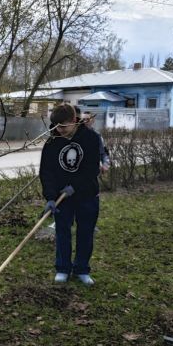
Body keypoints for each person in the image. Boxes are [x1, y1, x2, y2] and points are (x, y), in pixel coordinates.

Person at [40, 103, 102, 285]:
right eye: (56, 126)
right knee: (62, 232)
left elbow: (92, 169)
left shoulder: (90, 138)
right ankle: (63, 268)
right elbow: (46, 172)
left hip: (87, 195)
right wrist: (50, 197)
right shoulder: (52, 143)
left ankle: (82, 269)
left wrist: (75, 186)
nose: (59, 130)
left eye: (63, 126)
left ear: (74, 121)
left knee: (85, 232)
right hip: (61, 197)